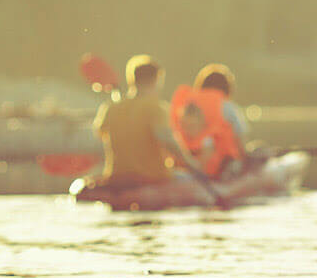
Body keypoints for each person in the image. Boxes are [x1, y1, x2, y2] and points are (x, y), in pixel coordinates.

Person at [89, 55, 207, 189]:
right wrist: (193, 165)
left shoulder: (111, 108)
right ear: (157, 80)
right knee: (190, 179)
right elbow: (169, 142)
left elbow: (99, 134)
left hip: (116, 177)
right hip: (152, 178)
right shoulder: (156, 108)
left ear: (132, 79)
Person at [169, 63, 251, 179]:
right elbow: (241, 143)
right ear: (227, 87)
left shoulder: (185, 104)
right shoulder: (228, 106)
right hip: (220, 169)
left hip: (185, 164)